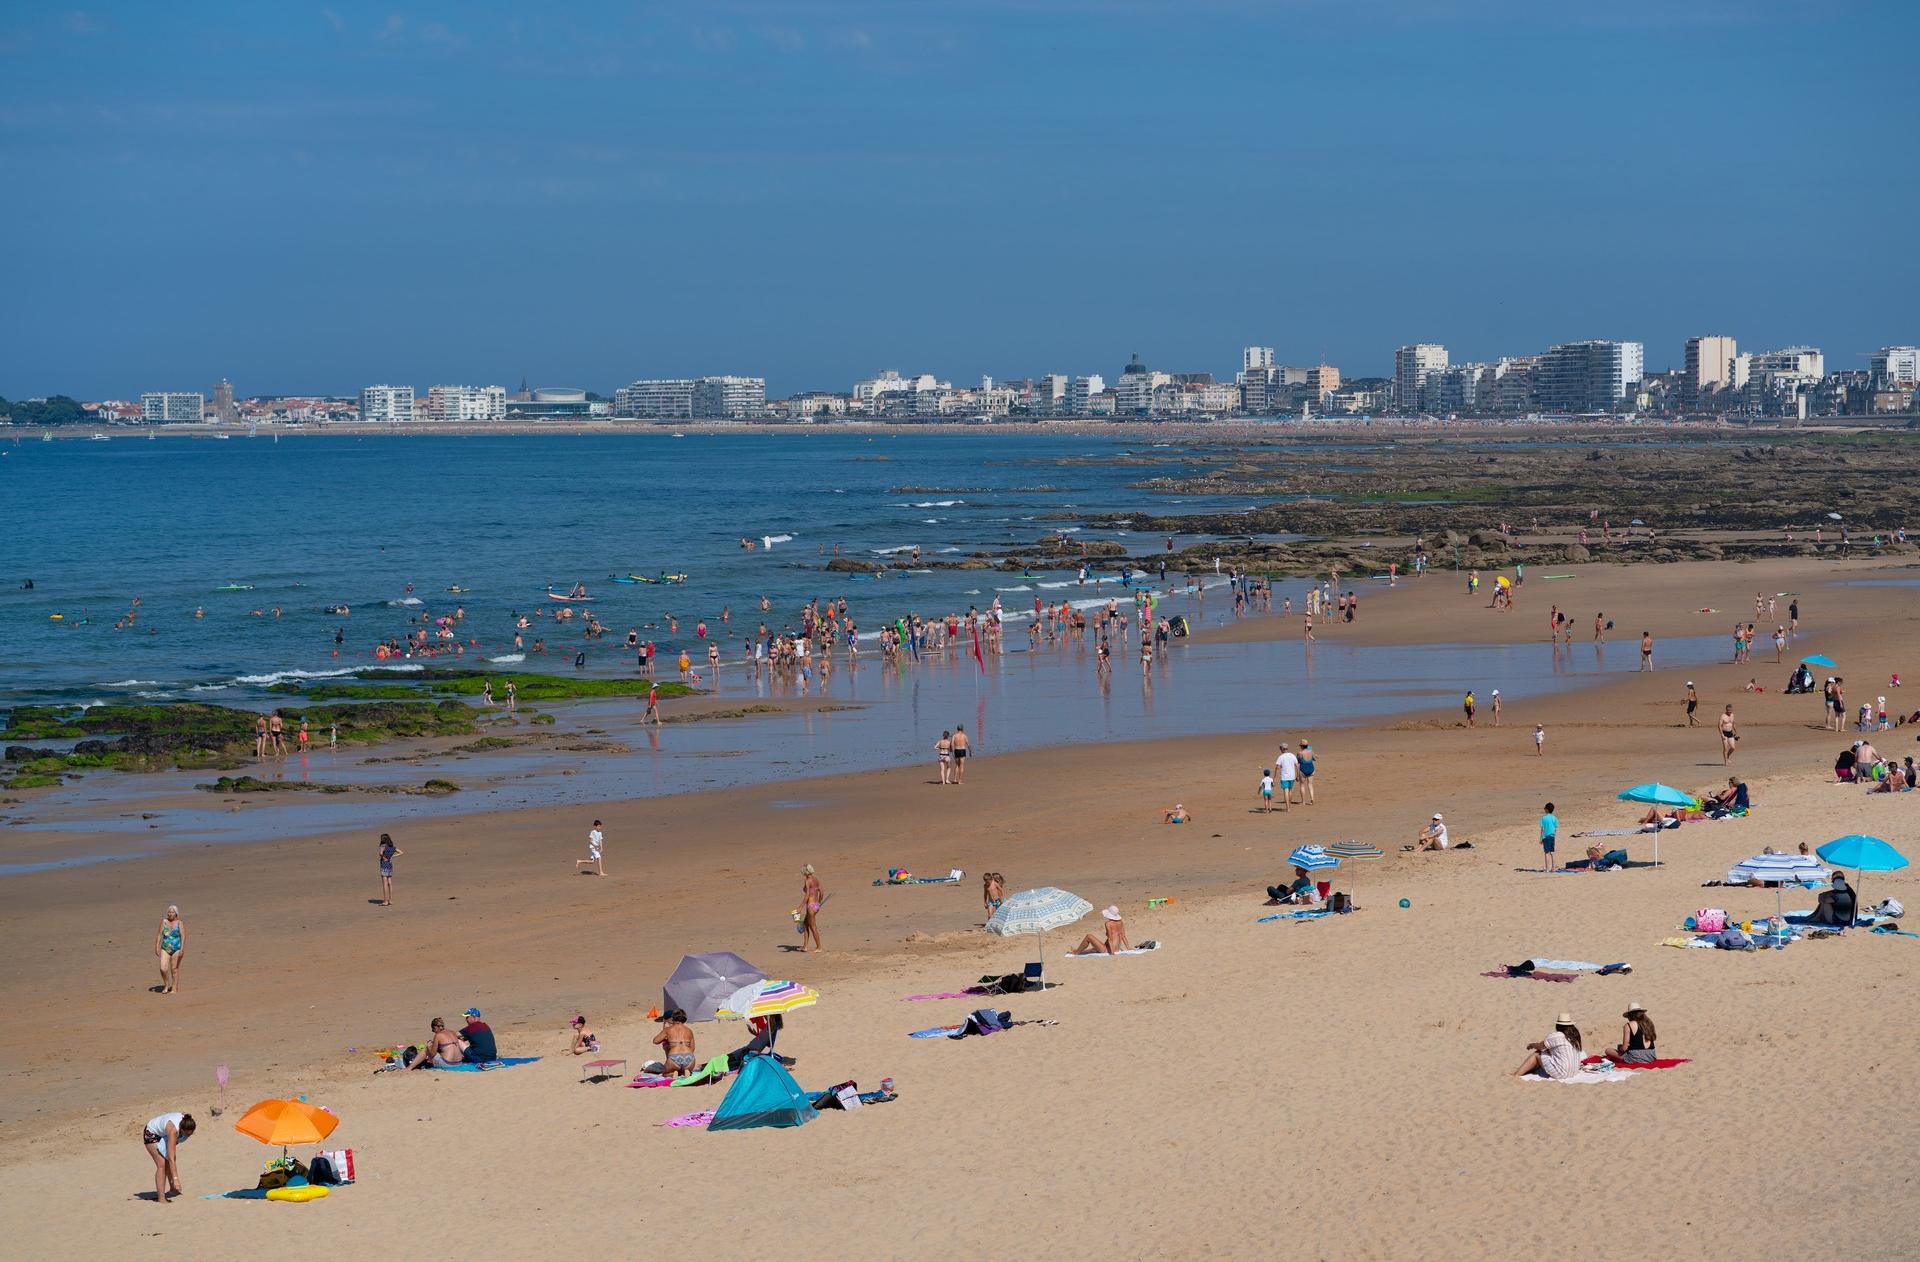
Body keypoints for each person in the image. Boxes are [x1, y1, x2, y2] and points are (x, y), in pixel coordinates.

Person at [142, 1111, 195, 1203]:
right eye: (187, 1134)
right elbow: (172, 1158)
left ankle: (173, 1190)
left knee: (167, 1161)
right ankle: (161, 1198)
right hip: (151, 1132)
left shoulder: (186, 1121)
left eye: (190, 1134)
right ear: (181, 1129)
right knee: (162, 1165)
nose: (188, 1136)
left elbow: (185, 1114)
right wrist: (176, 1179)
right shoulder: (173, 1130)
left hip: (164, 1134)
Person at [1511, 1014, 1583, 1079]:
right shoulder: (1574, 1036)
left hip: (1562, 1073)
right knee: (1547, 1052)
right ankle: (1529, 1069)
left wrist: (1532, 1045)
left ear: (1557, 1025)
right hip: (1573, 1071)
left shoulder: (1557, 1036)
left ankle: (1516, 1075)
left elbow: (1541, 1046)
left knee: (1537, 1054)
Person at [653, 1009, 696, 1077]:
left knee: (664, 1074)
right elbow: (692, 1048)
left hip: (674, 1057)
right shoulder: (689, 1031)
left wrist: (665, 1037)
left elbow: (655, 1041)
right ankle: (685, 1072)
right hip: (689, 1058)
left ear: (673, 1018)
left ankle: (673, 1073)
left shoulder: (668, 1030)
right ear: (684, 1019)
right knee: (683, 1070)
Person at [154, 904, 185, 995]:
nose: (170, 914)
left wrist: (182, 948)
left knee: (174, 968)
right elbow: (160, 935)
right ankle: (166, 984)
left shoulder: (180, 923)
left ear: (176, 914)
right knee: (163, 968)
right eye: (169, 912)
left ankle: (174, 987)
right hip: (165, 947)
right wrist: (157, 946)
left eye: (172, 912)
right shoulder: (164, 922)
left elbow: (183, 936)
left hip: (177, 948)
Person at [799, 864, 823, 952]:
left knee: (813, 927)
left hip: (810, 906)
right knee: (805, 924)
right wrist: (819, 902)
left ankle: (819, 947)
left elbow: (807, 895)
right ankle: (805, 946)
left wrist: (800, 907)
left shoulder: (808, 881)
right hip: (816, 905)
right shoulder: (815, 879)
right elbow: (822, 891)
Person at [378, 832, 402, 906]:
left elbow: (380, 853)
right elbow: (401, 852)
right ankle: (391, 900)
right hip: (389, 864)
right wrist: (392, 856)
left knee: (385, 883)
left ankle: (385, 901)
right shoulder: (392, 847)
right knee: (390, 883)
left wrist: (383, 857)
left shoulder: (382, 846)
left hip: (384, 864)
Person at [1275, 742, 1299, 809]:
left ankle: (1288, 807)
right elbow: (1297, 766)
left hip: (1285, 777)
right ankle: (1289, 806)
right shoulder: (1292, 755)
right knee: (1290, 790)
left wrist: (1275, 777)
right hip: (1292, 776)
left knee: (1286, 791)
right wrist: (1297, 775)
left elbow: (1277, 767)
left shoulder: (1281, 757)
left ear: (1281, 749)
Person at [1539, 802, 1559, 872]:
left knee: (1546, 853)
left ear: (1546, 809)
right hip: (1552, 836)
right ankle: (1553, 868)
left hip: (1545, 837)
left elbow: (1542, 829)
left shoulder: (1543, 818)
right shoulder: (1554, 818)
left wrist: (1541, 838)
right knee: (1552, 852)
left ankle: (1547, 868)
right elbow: (1555, 828)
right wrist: (1554, 835)